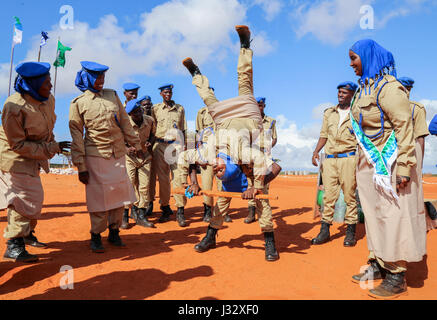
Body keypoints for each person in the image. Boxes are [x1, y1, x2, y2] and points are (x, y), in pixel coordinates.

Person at [180, 25, 282, 261]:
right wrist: (193, 183)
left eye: (215, 168)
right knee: (221, 204)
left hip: (235, 121)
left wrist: (255, 187)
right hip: (239, 119)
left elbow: (185, 157)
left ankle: (269, 241)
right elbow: (185, 159)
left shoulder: (218, 152)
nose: (215, 167)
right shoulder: (232, 155)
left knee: (263, 205)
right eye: (216, 170)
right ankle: (211, 235)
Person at [348, 40, 426, 299]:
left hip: (391, 164)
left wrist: (404, 166)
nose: (351, 64)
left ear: (368, 57)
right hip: (369, 166)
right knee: (373, 216)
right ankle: (379, 263)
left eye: (354, 58)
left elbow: (405, 129)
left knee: (393, 216)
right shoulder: (362, 91)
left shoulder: (390, 89)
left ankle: (397, 275)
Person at [69, 61, 145, 253]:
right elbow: (77, 136)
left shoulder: (113, 95)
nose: (101, 80)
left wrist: (136, 144)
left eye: (103, 76)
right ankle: (96, 235)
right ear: (87, 78)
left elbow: (125, 123)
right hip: (95, 156)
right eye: (97, 77)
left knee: (118, 196)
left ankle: (114, 232)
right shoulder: (79, 103)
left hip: (117, 154)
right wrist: (81, 166)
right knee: (98, 199)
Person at [0, 62, 70, 262]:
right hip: (14, 157)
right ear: (33, 84)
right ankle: (14, 245)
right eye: (46, 83)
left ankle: (26, 234)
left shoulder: (49, 100)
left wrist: (51, 143)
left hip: (35, 154)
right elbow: (18, 145)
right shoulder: (14, 107)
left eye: (50, 81)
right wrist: (51, 149)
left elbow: (48, 126)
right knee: (23, 199)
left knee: (34, 199)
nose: (51, 86)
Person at [311, 82, 359, 247]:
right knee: (328, 196)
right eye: (339, 92)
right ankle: (324, 230)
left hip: (348, 158)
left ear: (352, 95)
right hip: (330, 159)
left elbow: (363, 138)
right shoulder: (329, 113)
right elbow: (323, 134)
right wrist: (316, 151)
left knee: (349, 196)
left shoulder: (357, 114)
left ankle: (351, 232)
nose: (340, 95)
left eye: (344, 93)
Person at [149, 84, 188, 226]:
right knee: (163, 179)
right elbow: (151, 129)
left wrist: (184, 147)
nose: (168, 94)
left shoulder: (180, 109)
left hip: (176, 145)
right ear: (161, 94)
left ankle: (180, 211)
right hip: (160, 145)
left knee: (178, 178)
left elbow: (183, 129)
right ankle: (165, 208)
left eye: (170, 92)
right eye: (165, 92)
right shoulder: (156, 109)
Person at [398, 77, 433, 231]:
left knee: (414, 190)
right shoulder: (387, 108)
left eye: (406, 89)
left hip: (411, 153)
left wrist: (420, 163)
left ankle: (422, 223)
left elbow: (420, 138)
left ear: (409, 90)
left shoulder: (416, 109)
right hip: (393, 155)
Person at [121, 98, 156, 229]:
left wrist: (150, 143)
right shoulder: (125, 124)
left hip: (145, 157)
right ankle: (124, 216)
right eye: (135, 113)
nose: (139, 114)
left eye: (139, 111)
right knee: (128, 185)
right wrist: (126, 148)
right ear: (130, 115)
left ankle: (141, 215)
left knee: (144, 187)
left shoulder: (150, 120)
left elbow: (153, 135)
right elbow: (118, 139)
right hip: (129, 158)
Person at [245, 97, 278, 224]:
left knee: (264, 182)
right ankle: (251, 213)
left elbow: (274, 138)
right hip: (253, 155)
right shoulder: (249, 122)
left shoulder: (271, 121)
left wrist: (269, 147)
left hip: (265, 155)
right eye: (257, 105)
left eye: (261, 105)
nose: (259, 108)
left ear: (264, 106)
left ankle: (263, 212)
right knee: (251, 182)